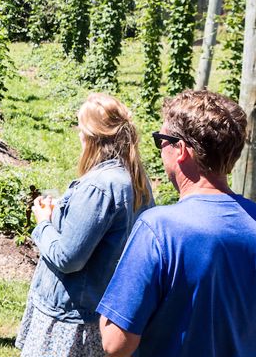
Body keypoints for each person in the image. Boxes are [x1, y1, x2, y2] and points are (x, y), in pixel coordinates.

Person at [98, 89, 256, 357]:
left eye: (162, 140)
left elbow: (116, 345)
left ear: (181, 150)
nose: (160, 149)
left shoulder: (159, 229)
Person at [16, 93, 153, 357]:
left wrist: (44, 223)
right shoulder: (137, 178)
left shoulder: (98, 187)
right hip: (107, 311)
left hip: (73, 321)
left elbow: (68, 258)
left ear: (89, 136)